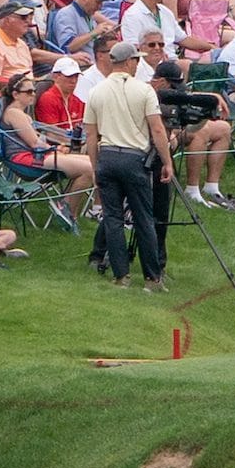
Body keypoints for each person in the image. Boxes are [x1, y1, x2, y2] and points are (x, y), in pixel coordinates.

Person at [83, 42, 170, 290]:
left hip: (107, 157)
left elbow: (91, 135)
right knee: (144, 218)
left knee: (113, 218)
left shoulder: (96, 91)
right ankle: (152, 278)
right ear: (130, 62)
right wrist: (167, 161)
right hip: (134, 158)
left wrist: (94, 165)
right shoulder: (143, 91)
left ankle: (122, 276)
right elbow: (156, 128)